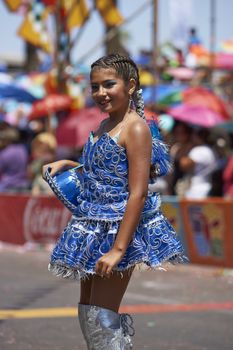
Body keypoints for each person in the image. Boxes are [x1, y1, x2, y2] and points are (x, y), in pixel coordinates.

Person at [43, 54, 184, 349]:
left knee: (103, 322)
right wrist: (68, 164)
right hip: (93, 228)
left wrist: (118, 249)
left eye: (109, 84)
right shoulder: (105, 125)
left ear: (131, 85)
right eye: (95, 87)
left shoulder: (136, 128)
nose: (100, 93)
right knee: (89, 316)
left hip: (117, 231)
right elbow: (104, 170)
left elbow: (138, 191)